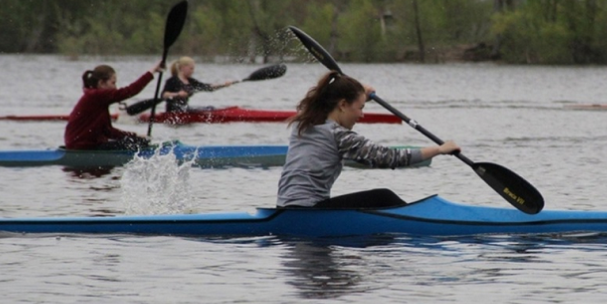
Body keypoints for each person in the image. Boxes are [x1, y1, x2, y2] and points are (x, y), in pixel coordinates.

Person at [277, 71, 459, 209]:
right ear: (342, 105)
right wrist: (438, 150)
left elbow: (333, 98)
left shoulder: (304, 122)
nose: (362, 114)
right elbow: (388, 158)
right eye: (360, 108)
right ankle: (425, 223)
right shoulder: (340, 135)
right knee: (383, 197)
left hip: (285, 207)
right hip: (307, 212)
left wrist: (357, 93)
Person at [64, 61, 163, 150]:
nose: (115, 87)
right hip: (81, 146)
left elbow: (108, 131)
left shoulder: (98, 100)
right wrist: (152, 71)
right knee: (137, 144)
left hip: (82, 144)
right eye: (113, 83)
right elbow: (130, 91)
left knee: (138, 142)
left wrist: (134, 136)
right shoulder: (96, 96)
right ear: (101, 83)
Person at [161, 57, 235, 112]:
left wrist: (224, 85)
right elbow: (164, 95)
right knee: (208, 110)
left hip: (185, 109)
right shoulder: (172, 80)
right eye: (191, 68)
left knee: (210, 108)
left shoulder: (191, 82)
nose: (193, 71)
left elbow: (208, 87)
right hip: (173, 111)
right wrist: (177, 94)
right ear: (182, 67)